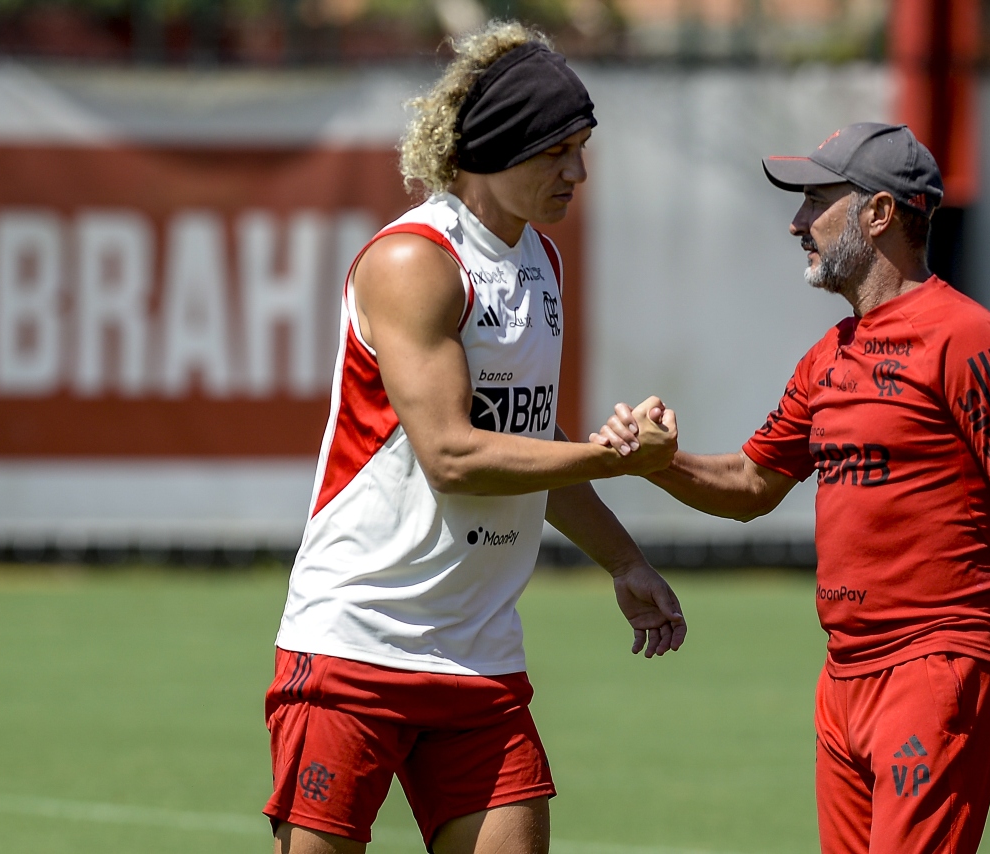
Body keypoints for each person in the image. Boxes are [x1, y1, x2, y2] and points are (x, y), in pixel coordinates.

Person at [595, 123, 990, 854]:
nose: (797, 223)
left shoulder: (967, 337)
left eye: (815, 201)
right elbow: (753, 483)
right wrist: (655, 460)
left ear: (880, 214)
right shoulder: (829, 354)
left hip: (936, 665)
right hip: (844, 677)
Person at [264, 23, 685, 854]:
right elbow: (454, 456)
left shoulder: (542, 262)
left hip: (479, 655)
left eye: (584, 147)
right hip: (355, 646)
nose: (579, 172)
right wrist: (614, 456)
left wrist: (624, 559)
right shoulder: (414, 262)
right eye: (558, 150)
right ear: (497, 147)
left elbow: (530, 443)